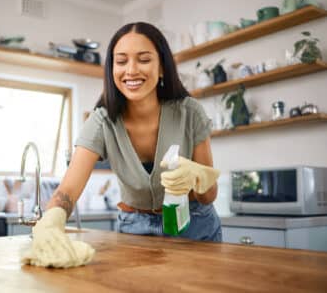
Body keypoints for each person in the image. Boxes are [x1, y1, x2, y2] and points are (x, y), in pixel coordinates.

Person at [23, 22, 221, 268]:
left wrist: (198, 177)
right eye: (122, 61)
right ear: (112, 69)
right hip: (134, 231)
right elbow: (68, 190)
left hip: (196, 228)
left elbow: (209, 196)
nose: (132, 70)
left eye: (144, 59)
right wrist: (52, 219)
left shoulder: (190, 112)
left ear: (162, 68)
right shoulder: (102, 121)